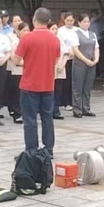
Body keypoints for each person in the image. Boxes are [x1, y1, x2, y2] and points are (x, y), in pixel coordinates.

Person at [12, 8, 60, 153]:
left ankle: (32, 150)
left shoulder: (27, 38)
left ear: (34, 19)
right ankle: (48, 149)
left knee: (30, 119)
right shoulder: (55, 39)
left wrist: (27, 62)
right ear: (48, 21)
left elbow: (15, 60)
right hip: (48, 84)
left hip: (30, 85)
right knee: (47, 118)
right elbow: (56, 60)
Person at [69, 13, 100, 119]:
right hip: (80, 63)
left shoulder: (92, 34)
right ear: (79, 23)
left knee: (88, 87)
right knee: (77, 87)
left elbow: (96, 48)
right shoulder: (75, 34)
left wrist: (96, 59)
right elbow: (75, 49)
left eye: (88, 22)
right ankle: (77, 109)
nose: (86, 24)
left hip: (91, 63)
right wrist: (86, 60)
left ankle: (86, 108)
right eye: (84, 22)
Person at [5, 20, 29, 123]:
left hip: (27, 71)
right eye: (24, 30)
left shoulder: (30, 42)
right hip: (17, 70)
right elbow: (14, 57)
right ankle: (17, 113)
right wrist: (26, 63)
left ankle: (25, 113)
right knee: (16, 93)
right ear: (18, 32)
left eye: (28, 30)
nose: (26, 32)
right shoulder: (15, 42)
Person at [54, 11, 76, 118]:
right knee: (65, 82)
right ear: (64, 20)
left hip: (75, 57)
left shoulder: (77, 30)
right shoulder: (60, 31)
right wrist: (68, 52)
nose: (69, 22)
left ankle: (73, 101)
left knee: (73, 80)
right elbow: (61, 45)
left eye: (71, 20)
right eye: (67, 20)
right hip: (65, 58)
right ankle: (65, 102)